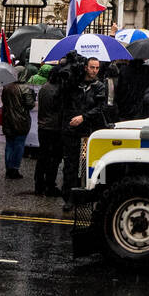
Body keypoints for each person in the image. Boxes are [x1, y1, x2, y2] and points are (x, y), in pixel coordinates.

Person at [61, 56, 115, 210]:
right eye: (92, 67)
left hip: (88, 132)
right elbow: (65, 95)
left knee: (85, 165)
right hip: (72, 130)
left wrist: (83, 117)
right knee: (70, 165)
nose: (94, 71)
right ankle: (69, 197)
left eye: (97, 68)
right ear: (86, 67)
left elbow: (100, 107)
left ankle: (84, 195)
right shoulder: (75, 83)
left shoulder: (99, 86)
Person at [0, 75, 37, 180]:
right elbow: (30, 105)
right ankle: (15, 169)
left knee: (9, 145)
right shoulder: (26, 88)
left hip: (8, 120)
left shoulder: (6, 88)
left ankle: (8, 169)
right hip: (21, 121)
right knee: (19, 145)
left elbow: (3, 101)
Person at [35, 65, 64, 197]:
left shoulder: (44, 87)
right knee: (54, 159)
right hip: (54, 128)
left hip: (43, 127)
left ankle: (39, 184)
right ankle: (50, 185)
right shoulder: (58, 90)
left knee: (43, 157)